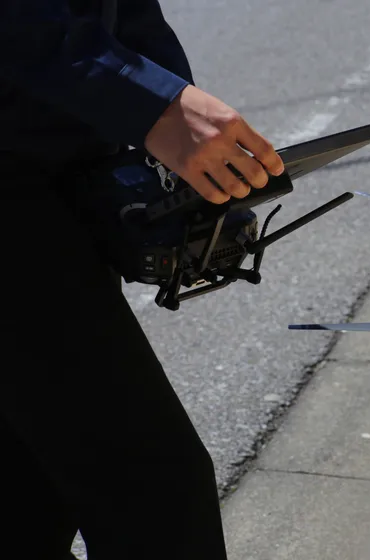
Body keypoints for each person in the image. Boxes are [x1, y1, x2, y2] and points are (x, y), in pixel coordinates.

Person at [0, 1, 284, 558]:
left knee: (31, 493)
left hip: (58, 163)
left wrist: (167, 100)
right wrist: (153, 105)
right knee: (153, 493)